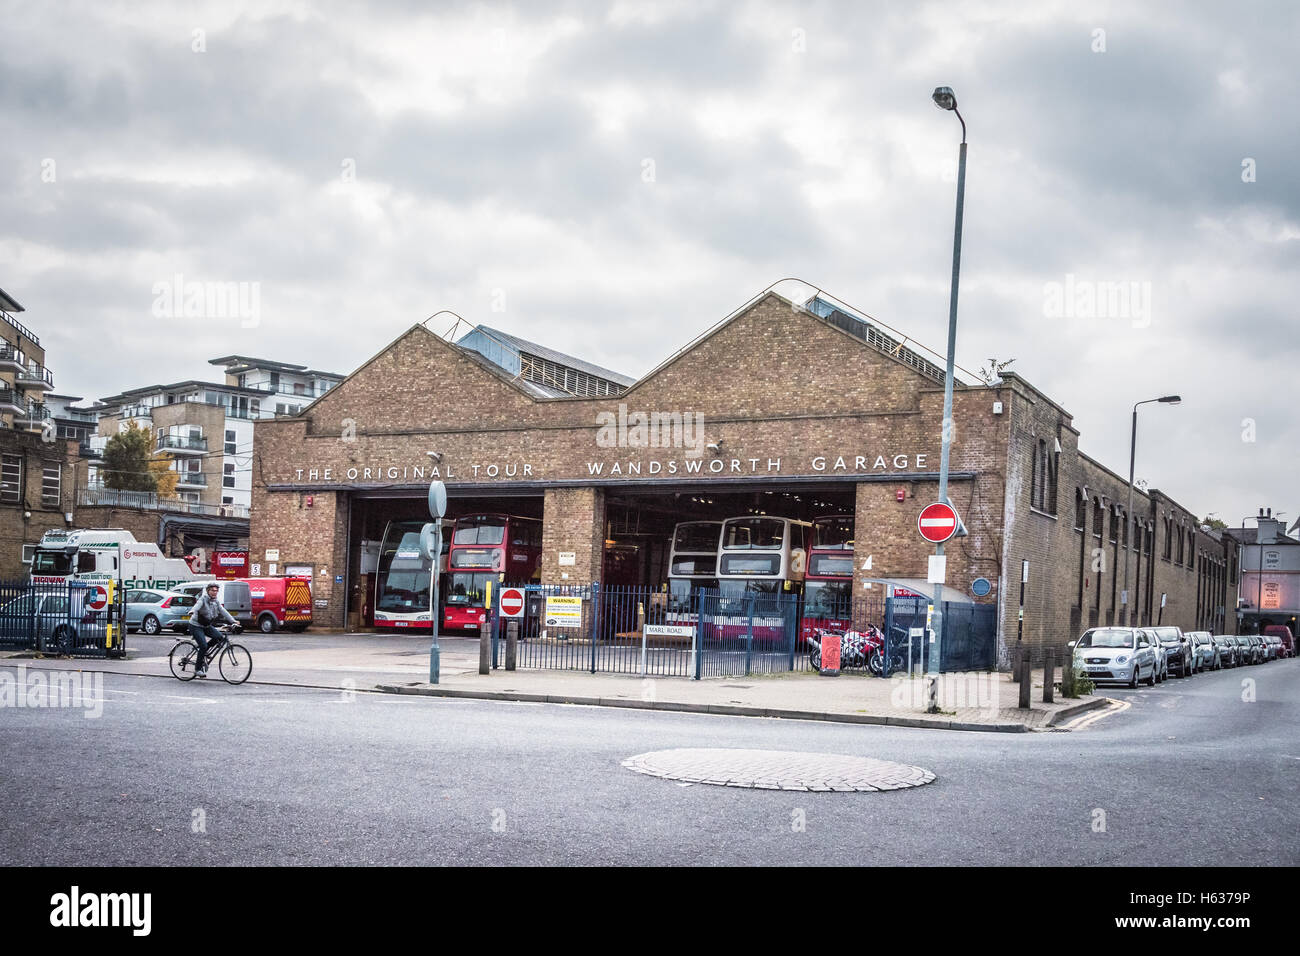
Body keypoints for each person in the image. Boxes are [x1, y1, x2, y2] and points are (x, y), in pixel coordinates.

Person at [189, 583, 238, 678]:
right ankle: (198, 669)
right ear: (208, 591)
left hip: (206, 625)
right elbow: (197, 605)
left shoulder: (216, 602)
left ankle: (204, 652)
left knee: (220, 637)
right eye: (212, 590)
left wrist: (233, 621)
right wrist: (192, 611)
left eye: (216, 591)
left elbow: (223, 611)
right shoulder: (203, 599)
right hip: (196, 625)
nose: (214, 592)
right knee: (203, 645)